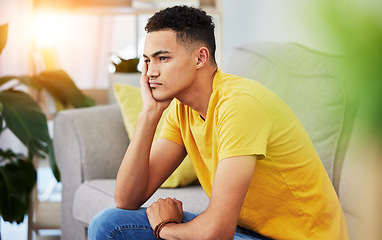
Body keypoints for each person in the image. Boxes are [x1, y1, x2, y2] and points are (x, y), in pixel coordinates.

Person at [88, 5, 348, 240]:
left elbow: (217, 231)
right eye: (147, 61)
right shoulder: (181, 109)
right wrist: (148, 115)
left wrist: (164, 228)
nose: (151, 72)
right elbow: (126, 199)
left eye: (162, 58)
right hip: (243, 231)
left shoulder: (239, 105)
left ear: (200, 58)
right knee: (110, 223)